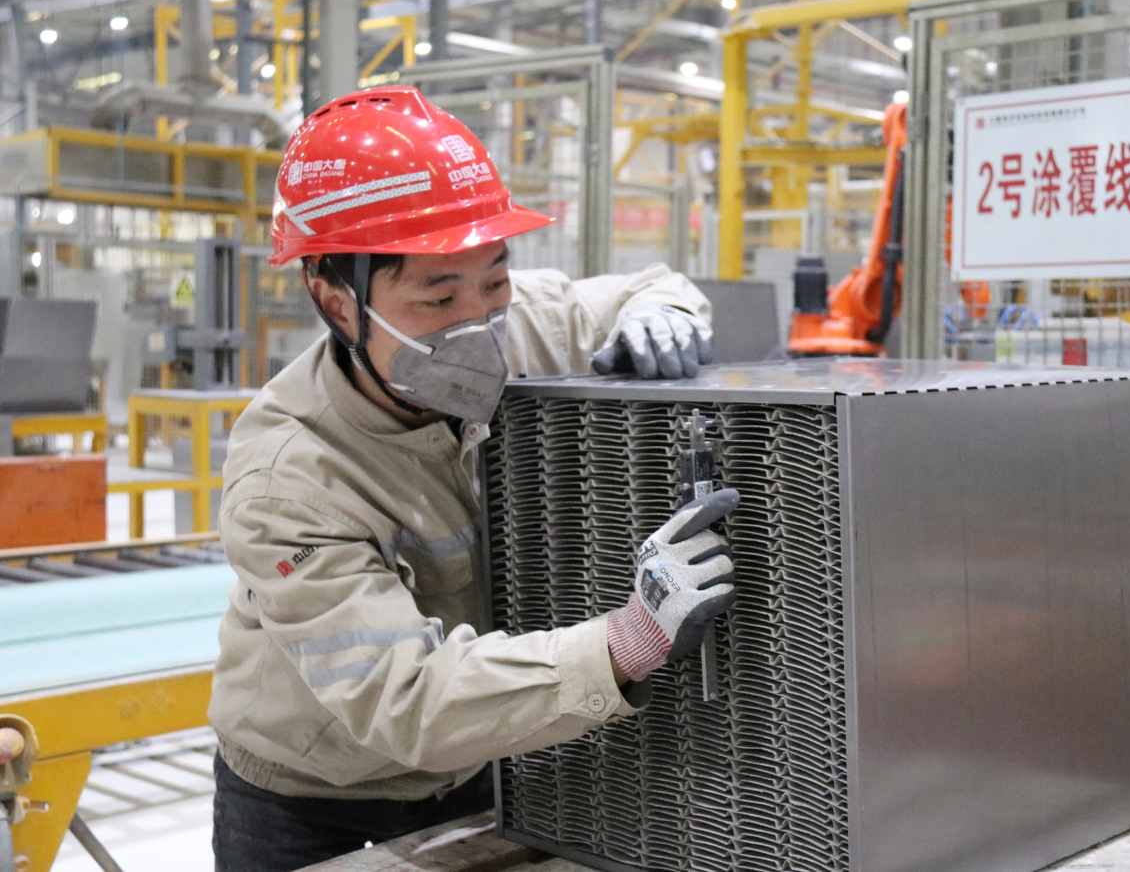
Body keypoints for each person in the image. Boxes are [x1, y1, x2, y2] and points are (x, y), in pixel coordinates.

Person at [208, 86, 740, 872]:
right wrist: (627, 641)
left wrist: (663, 316)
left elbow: (647, 287)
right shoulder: (287, 475)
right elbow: (403, 697)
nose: (480, 323)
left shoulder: (521, 324)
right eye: (438, 296)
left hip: (478, 756)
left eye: (493, 282)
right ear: (336, 301)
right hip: (308, 792)